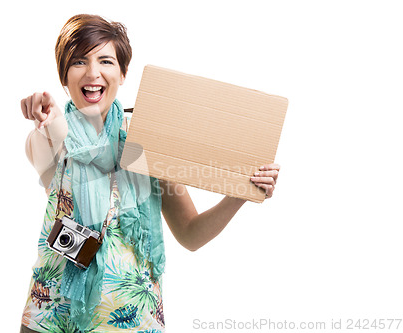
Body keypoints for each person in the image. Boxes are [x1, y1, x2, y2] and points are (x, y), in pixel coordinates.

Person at [19, 14, 280, 333]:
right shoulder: (50, 135)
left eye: (105, 61)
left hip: (133, 319)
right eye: (78, 62)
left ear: (123, 72)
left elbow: (190, 234)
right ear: (64, 75)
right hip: (53, 316)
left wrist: (239, 193)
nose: (93, 73)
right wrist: (49, 117)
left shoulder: (147, 139)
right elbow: (51, 146)